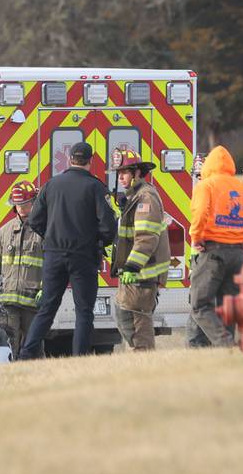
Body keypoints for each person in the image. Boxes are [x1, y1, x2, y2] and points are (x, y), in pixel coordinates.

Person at [18, 142, 117, 358]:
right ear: (91, 161)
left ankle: (26, 353)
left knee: (47, 308)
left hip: (54, 256)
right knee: (84, 311)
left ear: (70, 159)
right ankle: (79, 357)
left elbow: (34, 220)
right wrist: (100, 242)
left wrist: (51, 236)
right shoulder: (95, 187)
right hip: (83, 256)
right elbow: (109, 226)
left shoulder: (51, 185)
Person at [189, 146, 243, 347]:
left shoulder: (205, 185)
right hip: (238, 254)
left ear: (208, 166)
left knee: (199, 305)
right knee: (229, 305)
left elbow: (200, 213)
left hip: (213, 253)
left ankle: (225, 344)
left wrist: (196, 237)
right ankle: (228, 351)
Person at [110, 149, 170, 351]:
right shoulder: (135, 196)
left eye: (124, 172)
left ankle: (145, 358)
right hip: (133, 272)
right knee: (123, 315)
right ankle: (141, 354)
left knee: (139, 322)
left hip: (143, 272)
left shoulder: (146, 198)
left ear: (137, 173)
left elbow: (146, 236)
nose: (120, 177)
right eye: (119, 173)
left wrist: (132, 266)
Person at [0, 180, 43, 359]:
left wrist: (46, 289)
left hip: (33, 301)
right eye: (18, 204)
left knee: (33, 347)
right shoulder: (5, 231)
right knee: (9, 346)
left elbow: (52, 265)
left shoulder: (44, 230)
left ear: (34, 202)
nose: (21, 208)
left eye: (25, 203)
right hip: (8, 302)